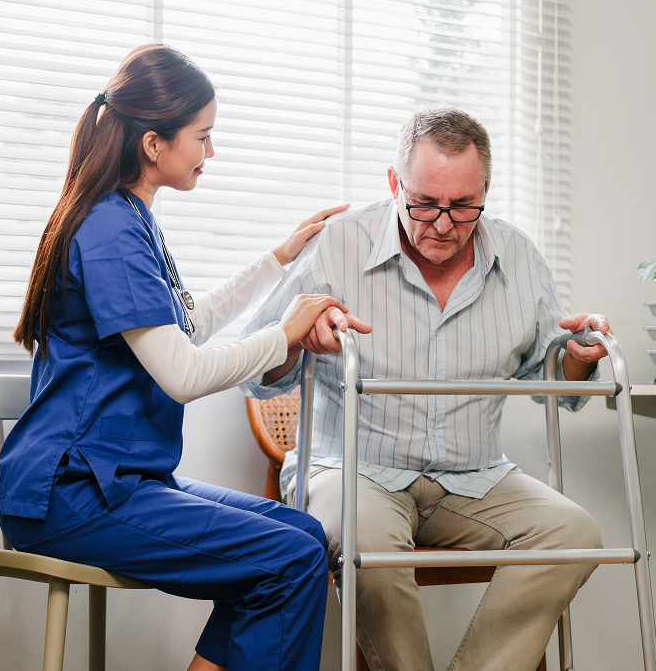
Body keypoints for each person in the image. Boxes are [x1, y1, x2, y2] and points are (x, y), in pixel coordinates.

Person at [0, 44, 362, 671]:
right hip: (71, 496)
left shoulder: (129, 216)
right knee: (290, 560)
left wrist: (280, 258)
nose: (210, 152)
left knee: (302, 537)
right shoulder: (110, 228)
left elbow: (185, 326)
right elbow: (181, 374)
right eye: (204, 136)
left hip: (115, 481)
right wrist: (284, 335)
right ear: (154, 144)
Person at [241, 105, 614, 671]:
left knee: (574, 533)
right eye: (423, 203)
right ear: (394, 183)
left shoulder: (519, 257)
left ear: (486, 189)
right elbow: (253, 370)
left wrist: (579, 361)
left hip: (474, 477)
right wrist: (298, 342)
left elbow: (553, 389)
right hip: (355, 470)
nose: (442, 224)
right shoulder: (339, 245)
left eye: (463, 206)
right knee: (366, 541)